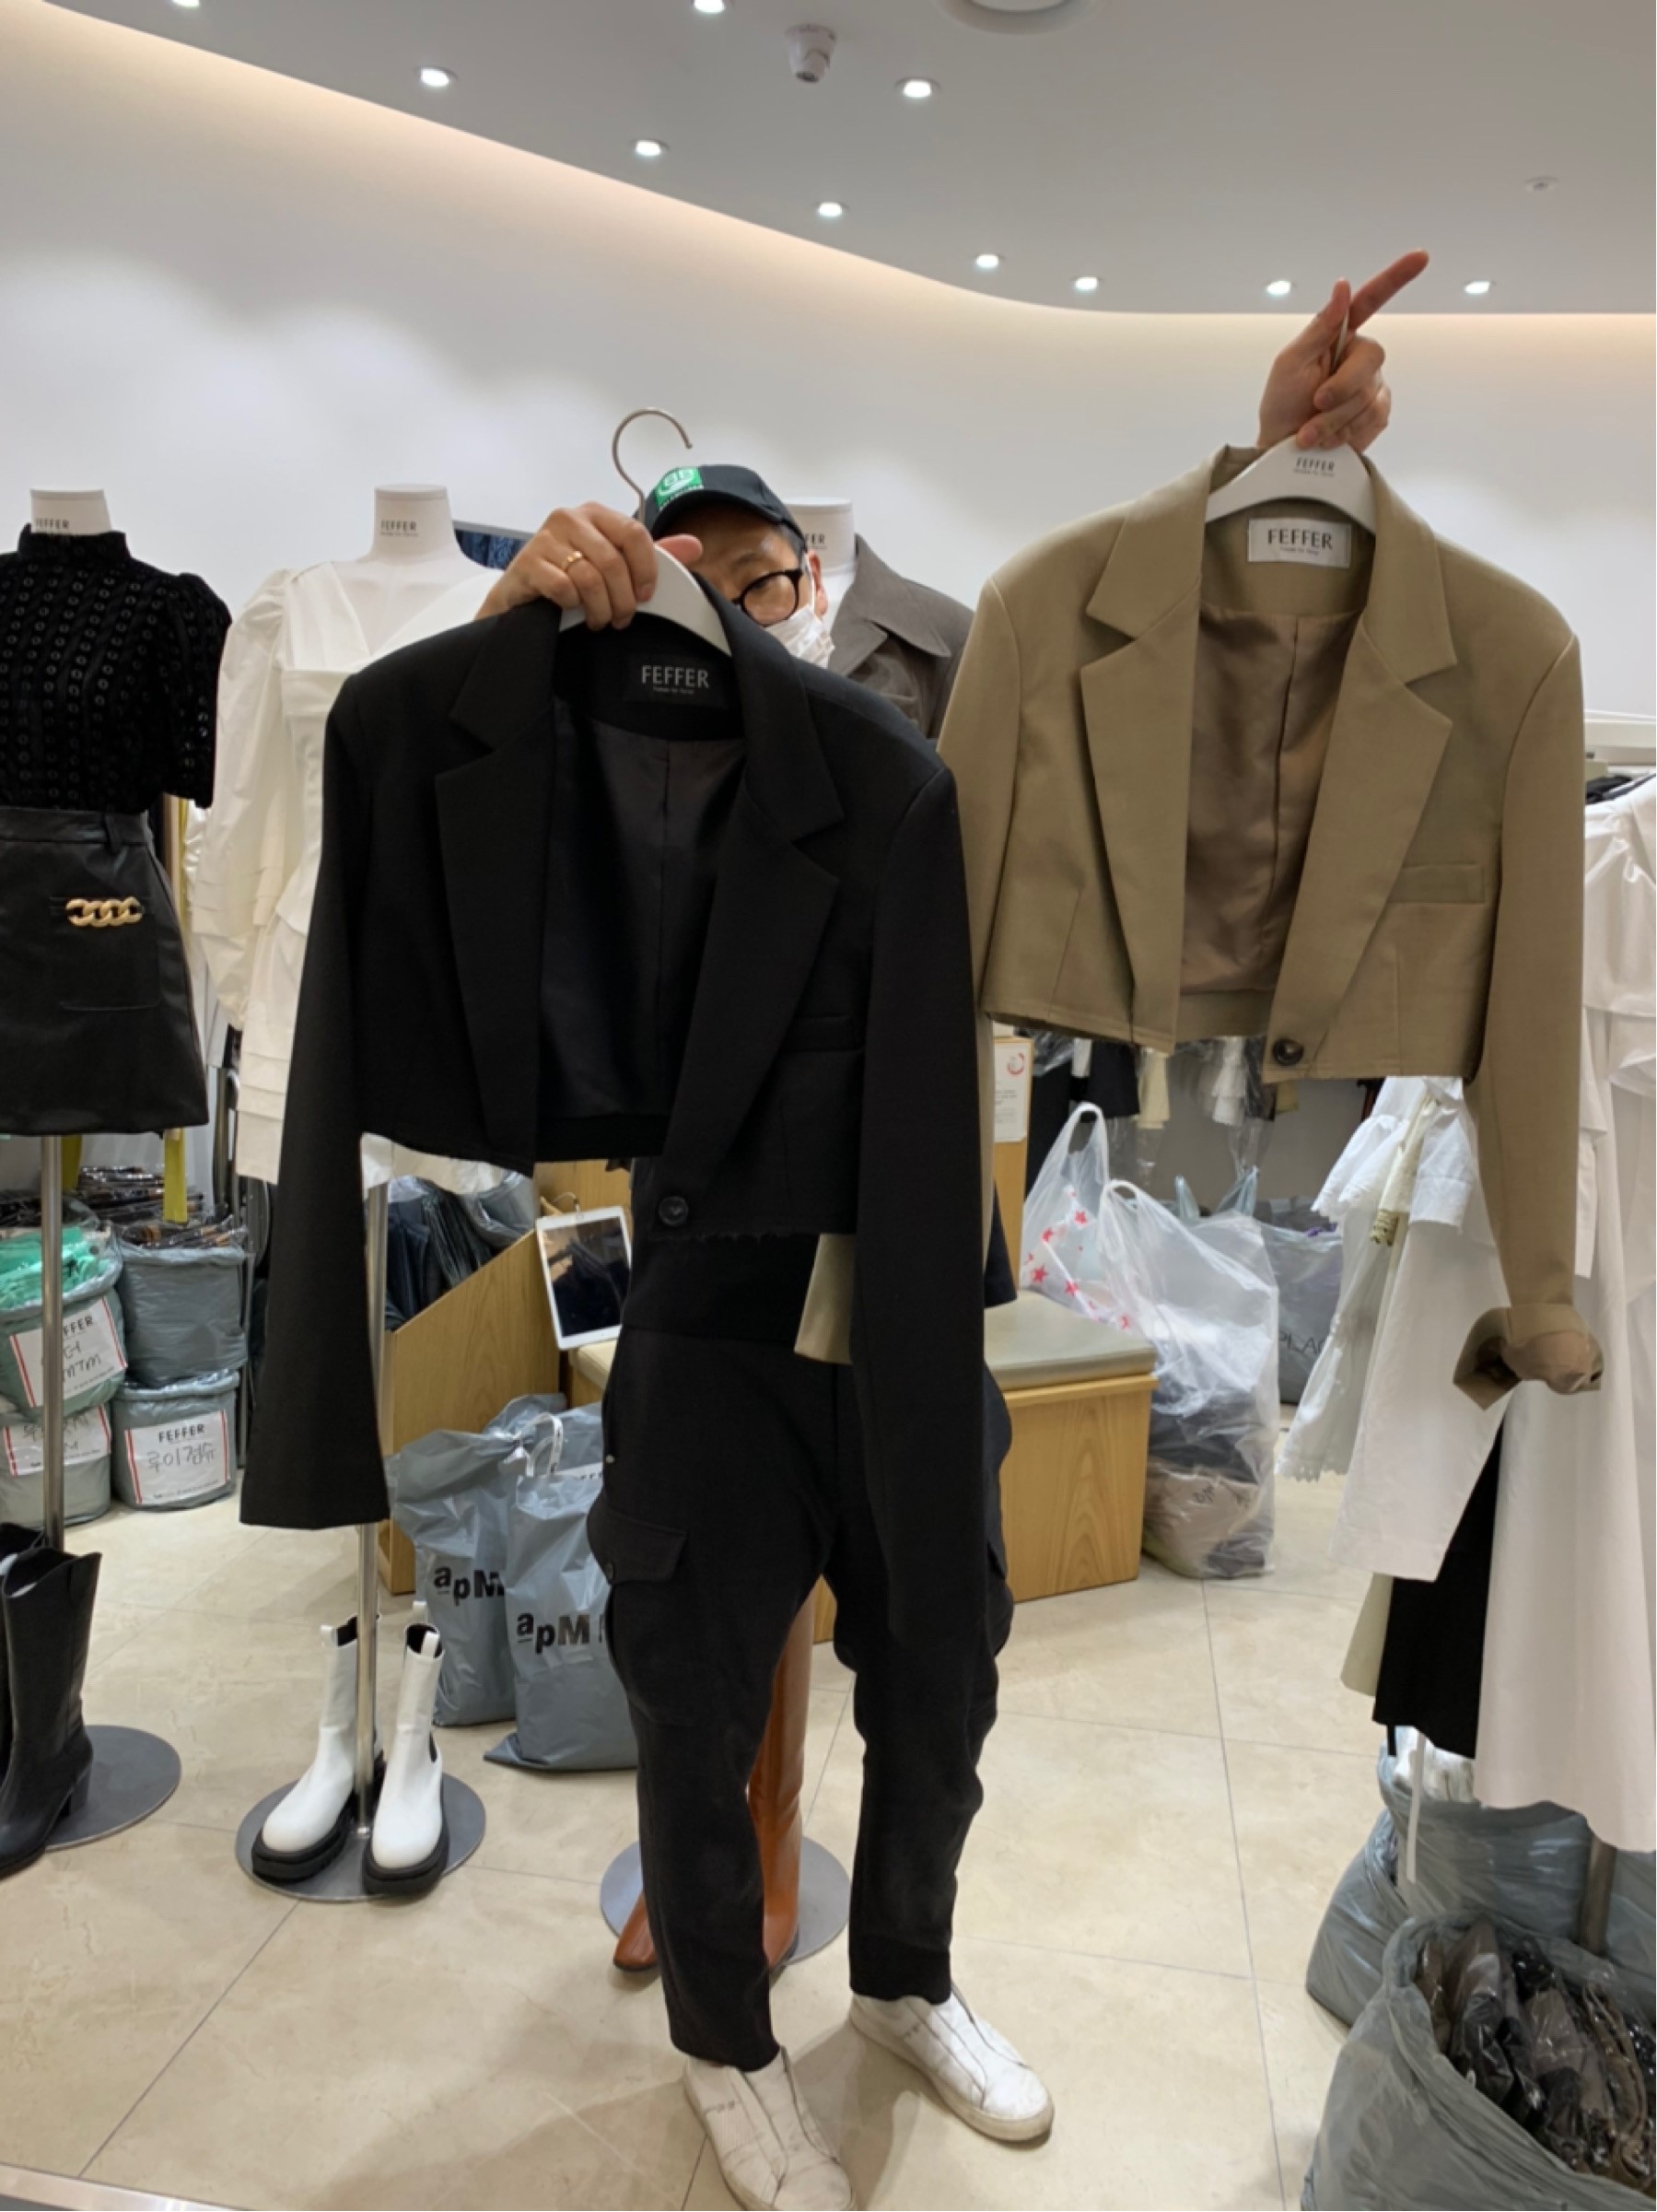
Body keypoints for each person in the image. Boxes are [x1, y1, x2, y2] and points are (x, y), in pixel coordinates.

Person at [477, 264, 1422, 2212]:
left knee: (944, 1672)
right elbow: (484, 886)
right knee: (691, 1686)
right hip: (718, 1305)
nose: (736, 617)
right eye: (691, 589)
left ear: (810, 579)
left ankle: (904, 1976)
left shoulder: (933, 733)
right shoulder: (625, 775)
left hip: (916, 1298)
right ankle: (725, 2045)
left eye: (761, 579)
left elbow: (1135, 695)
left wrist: (1269, 470)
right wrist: (512, 651)